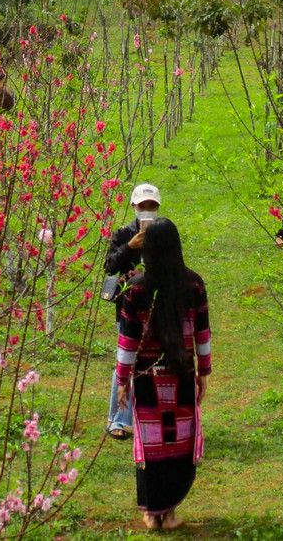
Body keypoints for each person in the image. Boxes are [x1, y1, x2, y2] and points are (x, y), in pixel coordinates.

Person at [115, 218, 210, 530]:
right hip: (182, 373)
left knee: (152, 442)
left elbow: (128, 342)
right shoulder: (193, 285)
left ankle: (152, 513)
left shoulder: (137, 289)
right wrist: (204, 373)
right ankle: (170, 513)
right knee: (178, 443)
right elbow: (202, 334)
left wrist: (122, 379)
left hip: (146, 379)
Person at [103, 183, 162, 440]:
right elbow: (109, 266)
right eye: (142, 206)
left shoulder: (163, 233)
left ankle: (140, 416)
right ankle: (118, 419)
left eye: (151, 206)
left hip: (156, 304)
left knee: (149, 360)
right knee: (124, 359)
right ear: (134, 207)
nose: (146, 211)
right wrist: (130, 246)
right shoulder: (123, 233)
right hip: (127, 307)